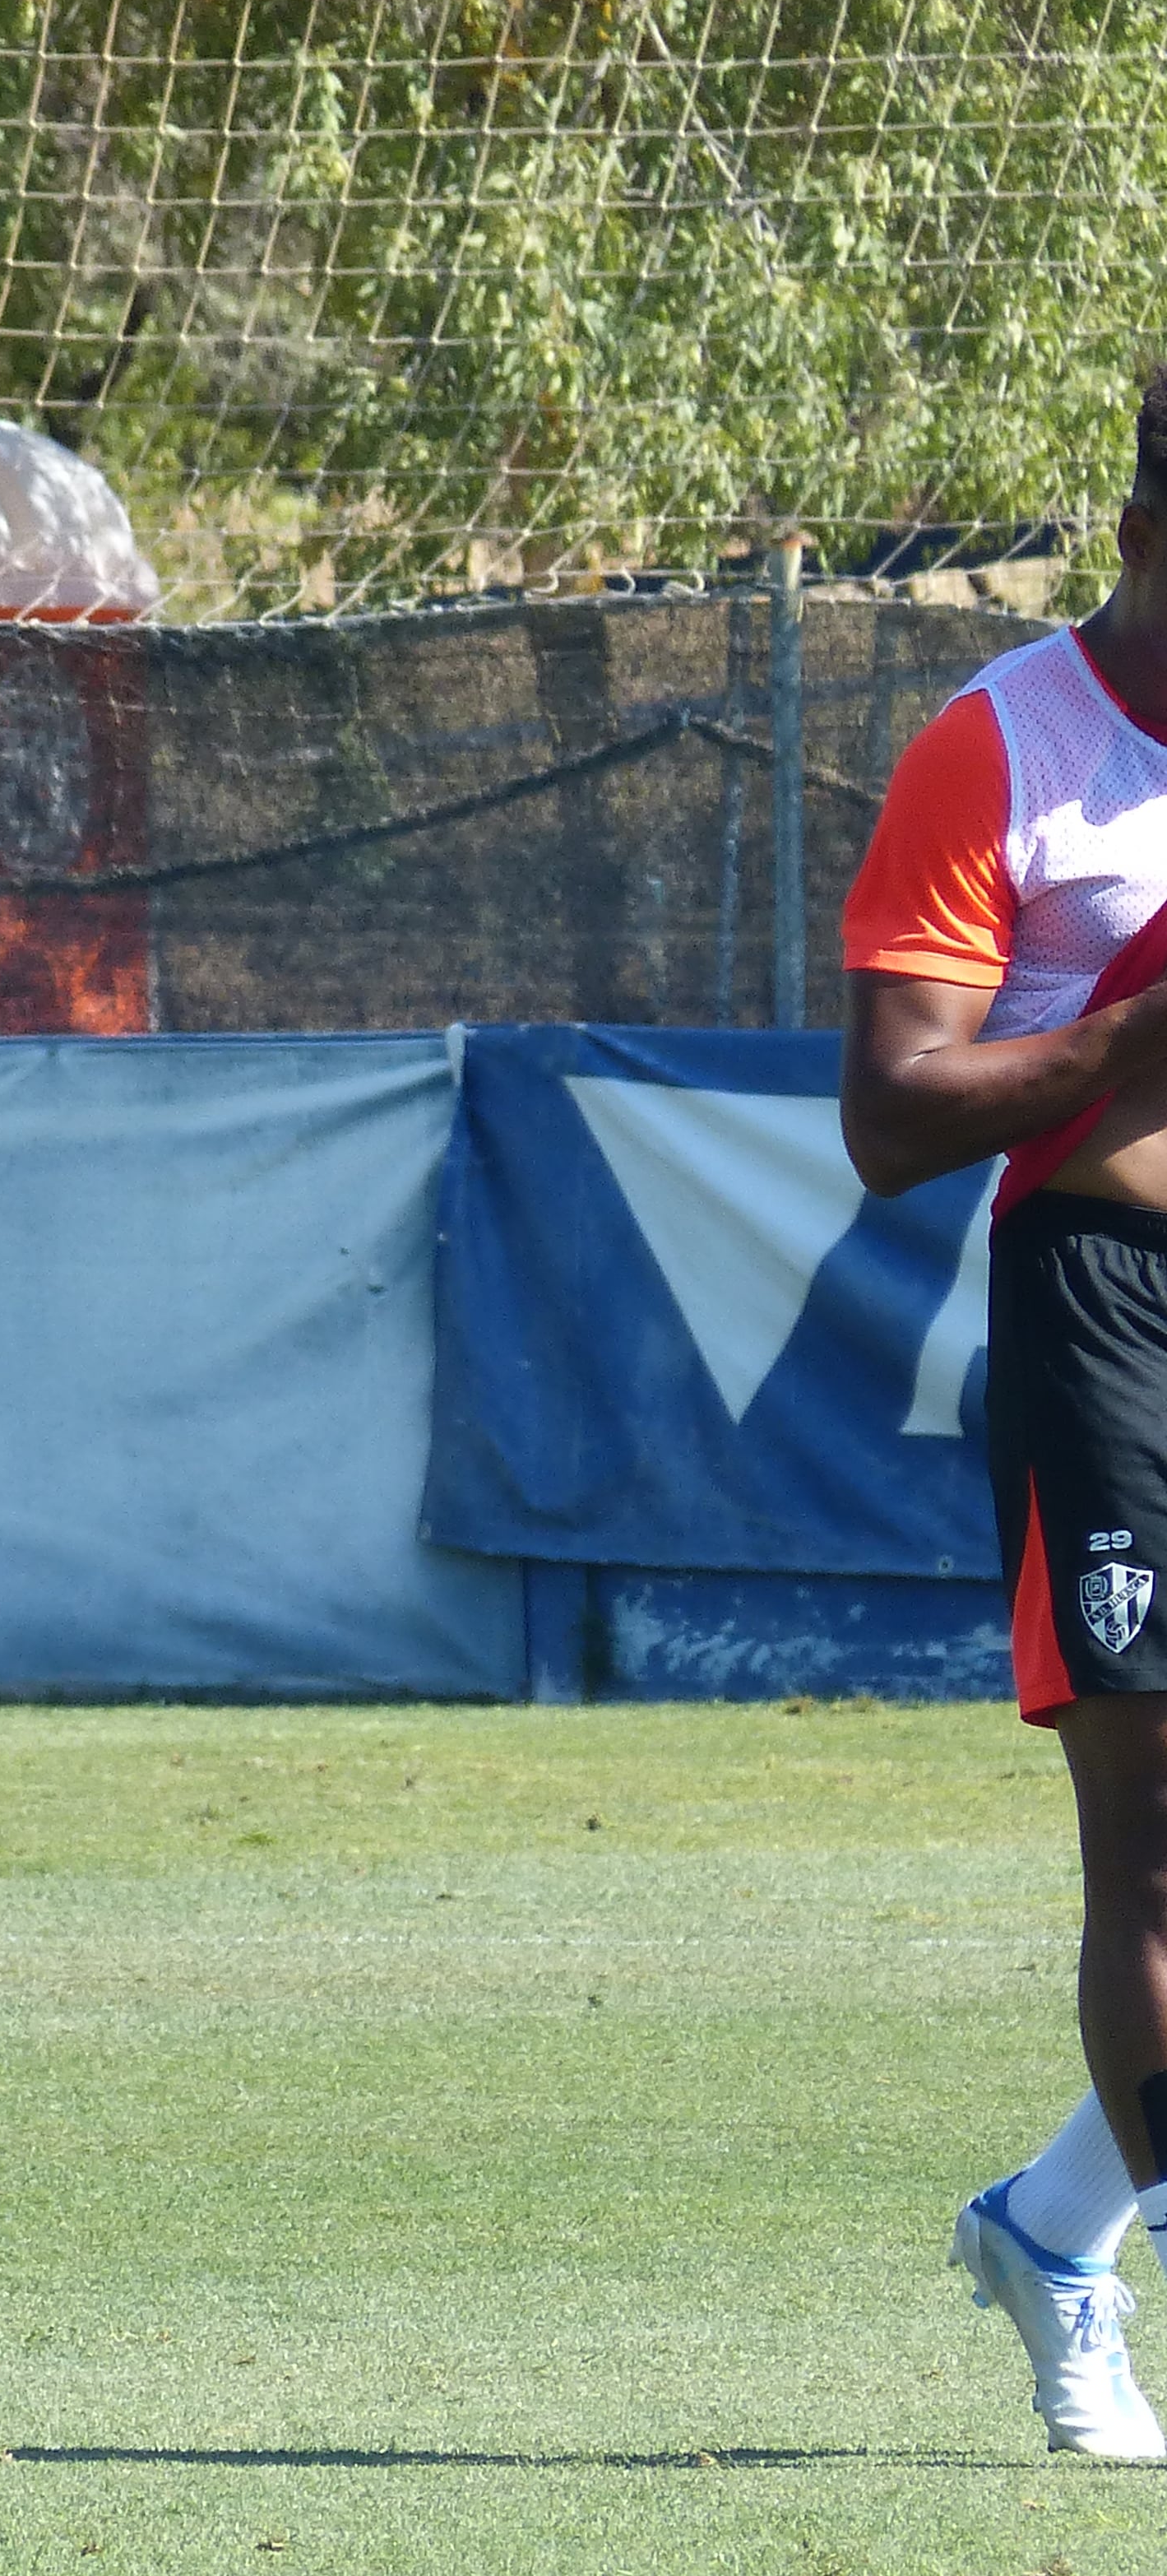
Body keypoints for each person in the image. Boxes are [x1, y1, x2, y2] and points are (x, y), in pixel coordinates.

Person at [843, 363, 1167, 2460]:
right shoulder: (1004, 748)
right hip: (1111, 1314)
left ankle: (1051, 2228)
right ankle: (1085, 2282)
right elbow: (893, 1118)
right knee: (1154, 1860)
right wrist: (1137, 1031)